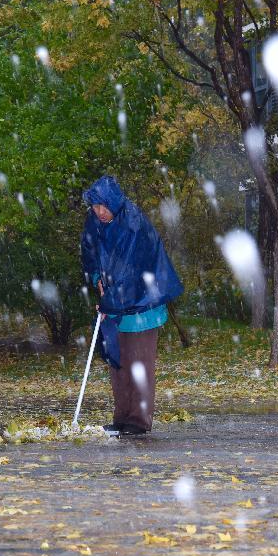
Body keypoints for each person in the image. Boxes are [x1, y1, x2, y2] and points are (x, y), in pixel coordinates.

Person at [80, 175, 183, 436]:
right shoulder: (94, 221)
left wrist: (108, 298)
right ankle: (121, 417)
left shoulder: (133, 223)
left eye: (103, 206)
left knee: (139, 361)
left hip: (142, 303)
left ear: (113, 203)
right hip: (115, 303)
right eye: (95, 207)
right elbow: (90, 253)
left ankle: (138, 420)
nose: (99, 212)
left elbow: (129, 270)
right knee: (118, 359)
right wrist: (97, 280)